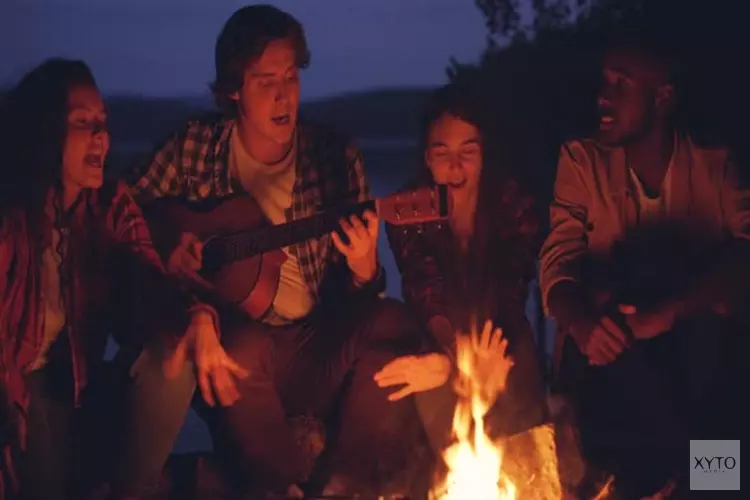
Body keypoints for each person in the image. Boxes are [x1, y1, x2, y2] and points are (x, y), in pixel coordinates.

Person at [125, 4, 424, 498]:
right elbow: (121, 210)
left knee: (394, 324)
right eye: (266, 81)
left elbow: (358, 305)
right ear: (233, 90)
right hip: (243, 349)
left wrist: (364, 265)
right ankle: (283, 483)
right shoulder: (195, 147)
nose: (285, 94)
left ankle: (342, 482)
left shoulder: (334, 156)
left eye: (291, 77)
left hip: (314, 343)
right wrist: (163, 245)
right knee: (239, 347)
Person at [0, 59, 232, 500]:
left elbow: (149, 278)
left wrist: (196, 314)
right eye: (83, 123)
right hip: (17, 400)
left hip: (82, 391)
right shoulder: (11, 219)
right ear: (44, 131)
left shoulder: (109, 206)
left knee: (175, 347)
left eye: (103, 123)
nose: (101, 137)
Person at [539, 32, 747, 498]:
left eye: (621, 84)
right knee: (606, 315)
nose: (602, 96)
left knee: (710, 334)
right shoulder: (581, 160)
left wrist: (665, 314)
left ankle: (702, 480)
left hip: (695, 358)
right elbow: (558, 264)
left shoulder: (715, 163)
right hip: (611, 357)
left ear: (663, 97)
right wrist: (582, 322)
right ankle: (697, 477)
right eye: (603, 82)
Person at [381, 83, 548, 457]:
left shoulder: (512, 202)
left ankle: (530, 462)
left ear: (485, 154)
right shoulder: (407, 211)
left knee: (524, 423)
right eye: (443, 153)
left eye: (468, 152)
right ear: (427, 159)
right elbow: (424, 288)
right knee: (430, 383)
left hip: (500, 331)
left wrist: (490, 354)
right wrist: (457, 358)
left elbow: (513, 282)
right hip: (439, 335)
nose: (455, 166)